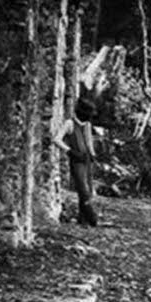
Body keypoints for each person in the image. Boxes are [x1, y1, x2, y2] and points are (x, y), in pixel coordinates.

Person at [54, 97, 98, 226]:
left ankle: (82, 218)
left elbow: (89, 141)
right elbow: (56, 139)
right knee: (82, 189)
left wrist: (93, 155)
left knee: (88, 188)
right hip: (76, 159)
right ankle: (91, 217)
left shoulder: (87, 125)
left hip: (86, 160)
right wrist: (69, 151)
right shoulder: (69, 123)